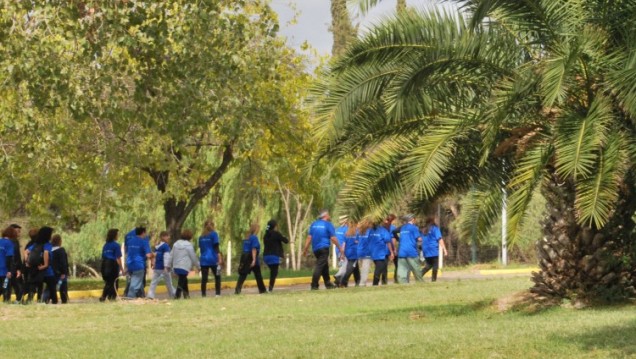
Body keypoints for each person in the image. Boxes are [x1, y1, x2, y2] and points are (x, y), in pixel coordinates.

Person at [302, 210, 343, 290]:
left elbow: (309, 238)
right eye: (328, 215)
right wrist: (340, 247)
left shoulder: (314, 224)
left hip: (316, 249)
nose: (329, 216)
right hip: (324, 248)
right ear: (325, 216)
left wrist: (305, 249)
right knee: (319, 266)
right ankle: (314, 285)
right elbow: (333, 238)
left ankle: (328, 283)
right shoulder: (328, 224)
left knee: (324, 265)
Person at [24, 226, 54, 303]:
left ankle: (29, 300)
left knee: (34, 286)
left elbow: (26, 252)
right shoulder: (48, 244)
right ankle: (50, 301)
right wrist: (45, 265)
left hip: (36, 269)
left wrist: (27, 262)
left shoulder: (36, 244)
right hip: (47, 270)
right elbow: (46, 253)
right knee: (52, 287)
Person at [235, 224, 267, 294]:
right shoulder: (254, 238)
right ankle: (262, 290)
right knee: (258, 275)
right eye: (258, 229)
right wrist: (254, 260)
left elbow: (244, 249)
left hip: (244, 257)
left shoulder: (247, 238)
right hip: (251, 257)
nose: (259, 230)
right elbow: (254, 249)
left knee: (243, 275)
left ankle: (237, 290)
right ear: (256, 229)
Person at [170, 229, 200, 299]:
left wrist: (169, 265)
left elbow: (171, 255)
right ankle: (177, 296)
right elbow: (193, 257)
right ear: (190, 237)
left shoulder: (176, 244)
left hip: (176, 266)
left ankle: (186, 295)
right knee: (181, 282)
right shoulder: (189, 245)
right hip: (184, 267)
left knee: (184, 280)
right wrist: (198, 266)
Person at [123, 227, 152, 299]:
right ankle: (130, 296)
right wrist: (154, 255)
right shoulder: (144, 242)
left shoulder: (130, 241)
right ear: (143, 232)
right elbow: (148, 255)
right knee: (136, 283)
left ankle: (142, 295)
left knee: (138, 280)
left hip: (130, 264)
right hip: (139, 264)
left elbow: (127, 251)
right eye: (145, 232)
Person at [394, 215, 423, 283]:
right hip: (411, 251)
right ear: (412, 219)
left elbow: (394, 231)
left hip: (402, 251)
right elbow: (418, 238)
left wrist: (398, 239)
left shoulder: (402, 228)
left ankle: (403, 283)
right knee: (416, 268)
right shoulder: (414, 228)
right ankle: (420, 282)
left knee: (402, 270)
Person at [262, 219, 289, 292]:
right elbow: (286, 241)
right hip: (274, 256)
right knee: (274, 272)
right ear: (275, 226)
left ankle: (269, 287)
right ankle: (270, 288)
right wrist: (284, 236)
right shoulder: (276, 234)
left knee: (273, 271)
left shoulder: (265, 235)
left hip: (266, 256)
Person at [147, 231, 176, 299]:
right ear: (163, 237)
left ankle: (150, 295)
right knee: (169, 283)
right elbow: (166, 257)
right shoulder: (166, 246)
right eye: (167, 236)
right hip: (163, 268)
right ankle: (173, 294)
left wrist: (153, 263)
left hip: (157, 267)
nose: (168, 237)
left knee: (154, 282)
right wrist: (166, 266)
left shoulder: (158, 247)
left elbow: (155, 256)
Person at [198, 220, 223, 297]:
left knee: (204, 278)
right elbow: (216, 247)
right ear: (213, 226)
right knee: (218, 276)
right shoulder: (214, 234)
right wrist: (219, 258)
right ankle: (217, 294)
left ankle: (203, 294)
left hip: (204, 259)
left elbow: (201, 248)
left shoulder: (201, 237)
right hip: (214, 259)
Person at [421, 217, 447, 282]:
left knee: (428, 265)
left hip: (425, 250)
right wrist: (444, 249)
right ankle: (433, 280)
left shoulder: (424, 230)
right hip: (433, 249)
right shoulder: (435, 229)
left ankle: (419, 275)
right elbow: (440, 239)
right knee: (435, 266)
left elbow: (421, 239)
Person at [100, 229, 123, 302]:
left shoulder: (105, 245)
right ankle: (108, 296)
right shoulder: (116, 245)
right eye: (117, 234)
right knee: (113, 282)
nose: (118, 236)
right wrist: (121, 268)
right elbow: (118, 258)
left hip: (104, 264)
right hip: (112, 264)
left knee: (108, 281)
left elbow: (103, 256)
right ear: (114, 236)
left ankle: (107, 296)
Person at [370, 221, 395, 286]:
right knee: (379, 269)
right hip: (381, 254)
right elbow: (388, 242)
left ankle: (383, 282)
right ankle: (375, 284)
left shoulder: (371, 230)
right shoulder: (383, 230)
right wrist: (391, 252)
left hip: (373, 253)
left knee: (381, 268)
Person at [340, 221, 361, 287]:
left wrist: (342, 254)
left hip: (348, 252)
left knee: (355, 267)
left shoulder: (347, 233)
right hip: (354, 252)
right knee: (350, 268)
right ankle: (343, 282)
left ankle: (358, 281)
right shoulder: (357, 232)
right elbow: (359, 242)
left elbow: (343, 244)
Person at [50, 234, 69, 303]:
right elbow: (63, 262)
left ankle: (50, 300)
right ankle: (64, 300)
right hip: (61, 273)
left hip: (52, 272)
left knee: (52, 287)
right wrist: (64, 272)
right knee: (63, 288)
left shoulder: (50, 250)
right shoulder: (61, 250)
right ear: (60, 241)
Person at [7, 224, 23, 303]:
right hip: (14, 267)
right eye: (17, 231)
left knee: (8, 285)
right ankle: (18, 300)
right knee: (18, 286)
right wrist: (19, 269)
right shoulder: (14, 241)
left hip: (6, 267)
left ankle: (7, 300)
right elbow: (17, 256)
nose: (19, 234)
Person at [356, 220, 373, 287]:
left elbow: (356, 241)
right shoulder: (370, 231)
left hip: (359, 251)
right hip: (367, 252)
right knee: (365, 268)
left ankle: (362, 282)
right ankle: (362, 283)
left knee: (361, 268)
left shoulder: (359, 231)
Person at [0, 227, 15, 302]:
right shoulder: (9, 243)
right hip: (4, 270)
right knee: (5, 287)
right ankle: (6, 301)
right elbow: (9, 258)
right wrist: (9, 271)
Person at [333, 216, 348, 287]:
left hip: (337, 250)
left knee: (342, 266)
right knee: (345, 267)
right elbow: (345, 242)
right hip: (344, 251)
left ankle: (339, 283)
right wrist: (343, 252)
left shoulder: (337, 230)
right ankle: (338, 276)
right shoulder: (347, 229)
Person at [381, 214, 396, 284]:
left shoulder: (381, 227)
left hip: (381, 249)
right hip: (388, 249)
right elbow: (393, 239)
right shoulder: (392, 228)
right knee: (396, 264)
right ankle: (395, 279)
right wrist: (394, 249)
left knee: (384, 266)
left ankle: (384, 281)